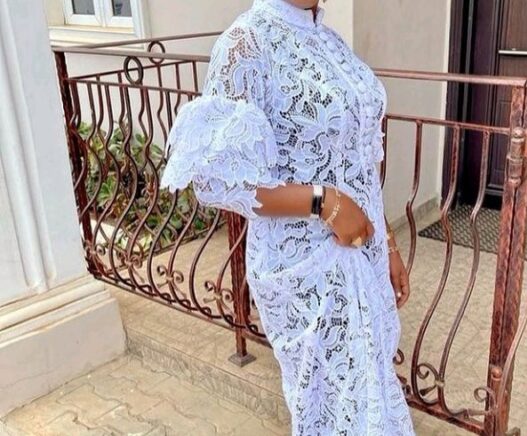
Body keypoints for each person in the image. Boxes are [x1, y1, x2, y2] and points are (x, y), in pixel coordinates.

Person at [160, 0, 415, 434]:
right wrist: (325, 202)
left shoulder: (329, 40)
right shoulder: (246, 43)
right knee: (341, 410)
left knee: (368, 398)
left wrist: (387, 242)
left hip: (362, 254)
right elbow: (218, 180)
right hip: (306, 266)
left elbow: (358, 161)